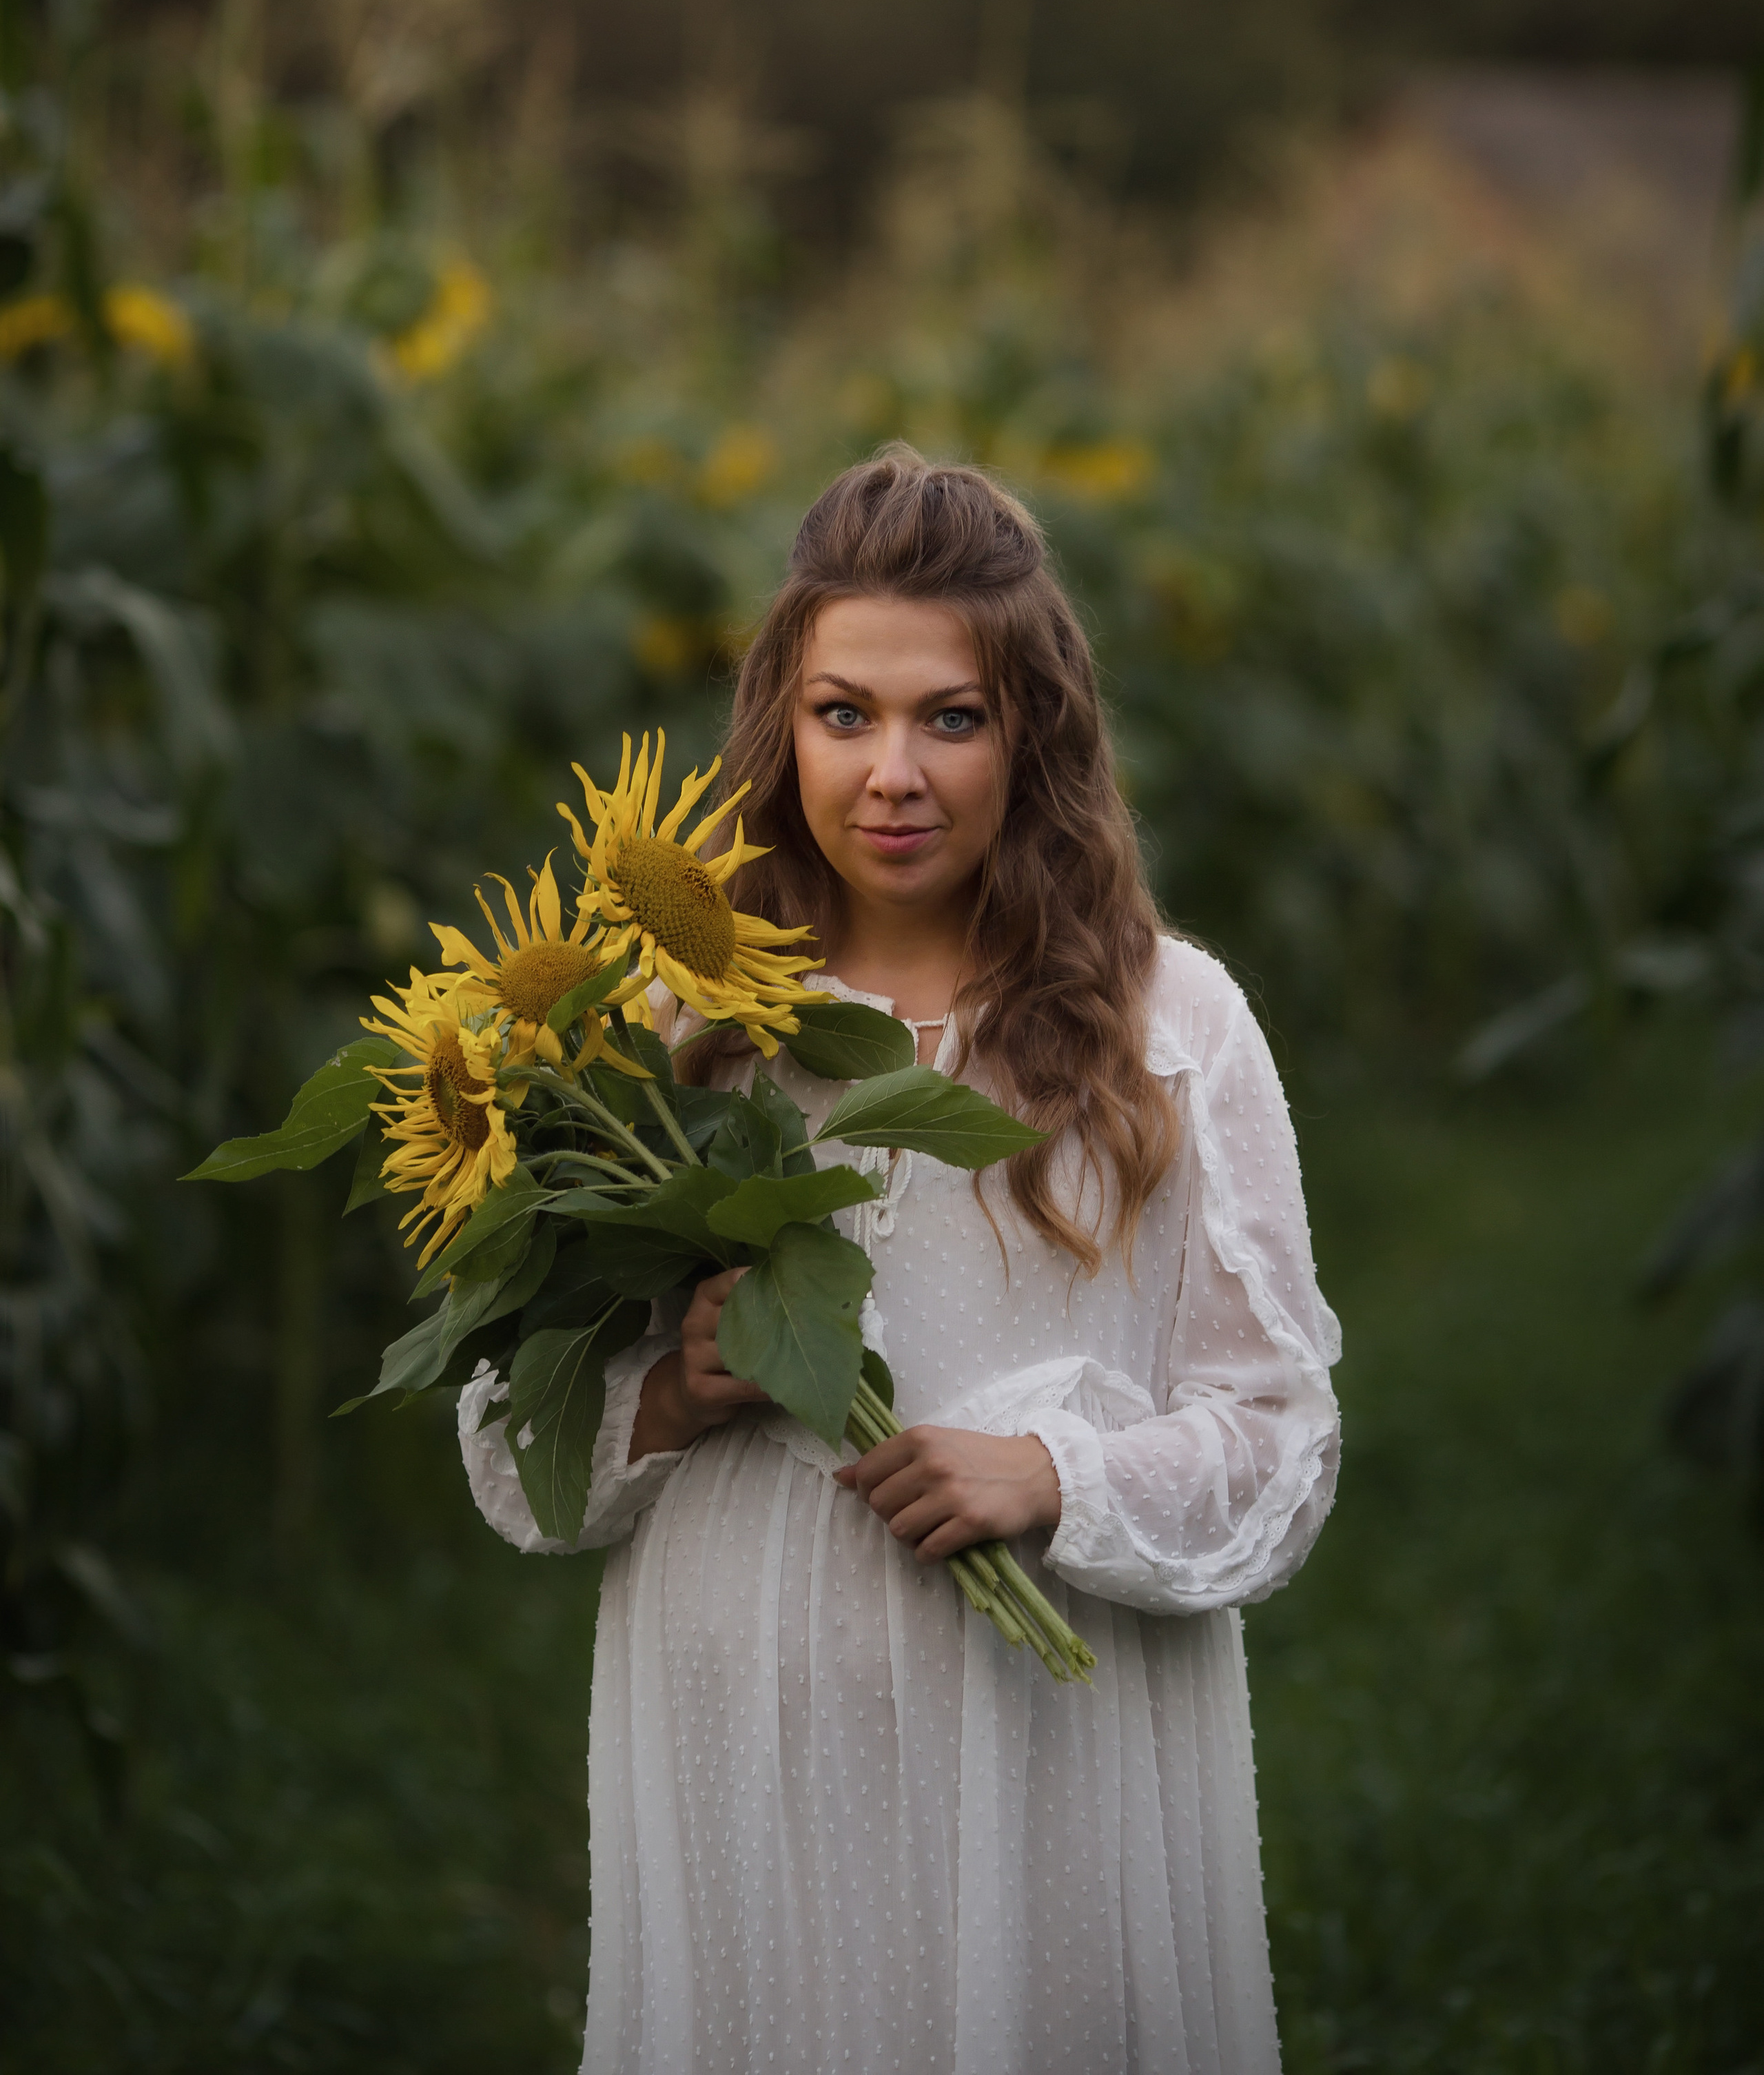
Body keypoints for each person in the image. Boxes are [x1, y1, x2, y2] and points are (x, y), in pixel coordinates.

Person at [460, 447, 1342, 2075]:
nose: (891, 775)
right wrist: (673, 1390)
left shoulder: (1166, 1028)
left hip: (1042, 1743)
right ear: (781, 726)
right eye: (842, 714)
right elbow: (513, 1458)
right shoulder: (672, 1022)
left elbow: (1278, 1448)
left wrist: (1055, 1478)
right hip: (738, 1738)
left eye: (951, 718)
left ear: (1032, 734)